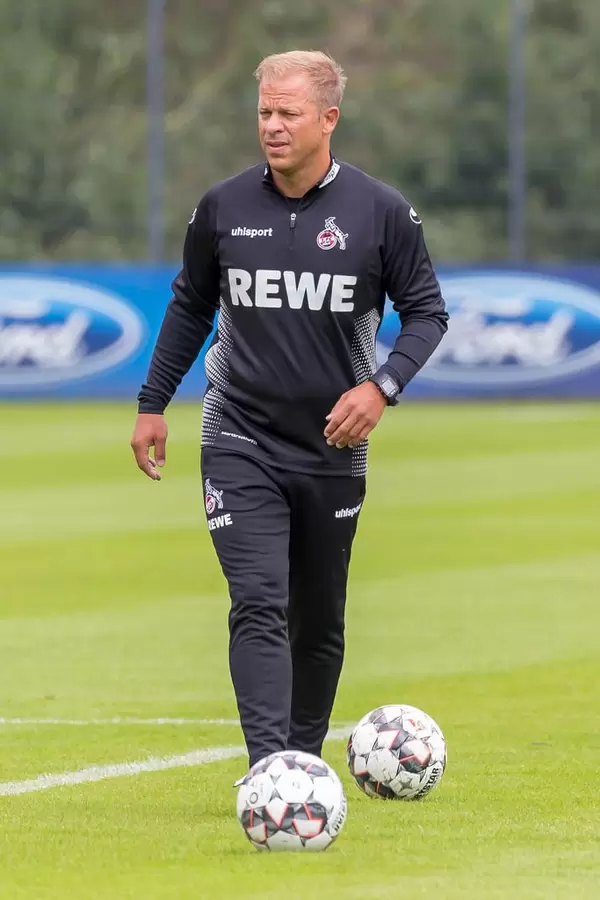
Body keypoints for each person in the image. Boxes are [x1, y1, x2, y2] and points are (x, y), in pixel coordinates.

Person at [131, 50, 449, 770]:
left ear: (328, 119)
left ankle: (304, 764)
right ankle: (272, 769)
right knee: (257, 600)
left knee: (318, 620)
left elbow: (428, 313)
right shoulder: (223, 207)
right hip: (238, 435)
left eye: (288, 113)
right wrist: (154, 403)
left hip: (333, 450)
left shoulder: (381, 212)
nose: (271, 126)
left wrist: (382, 388)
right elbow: (189, 307)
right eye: (264, 113)